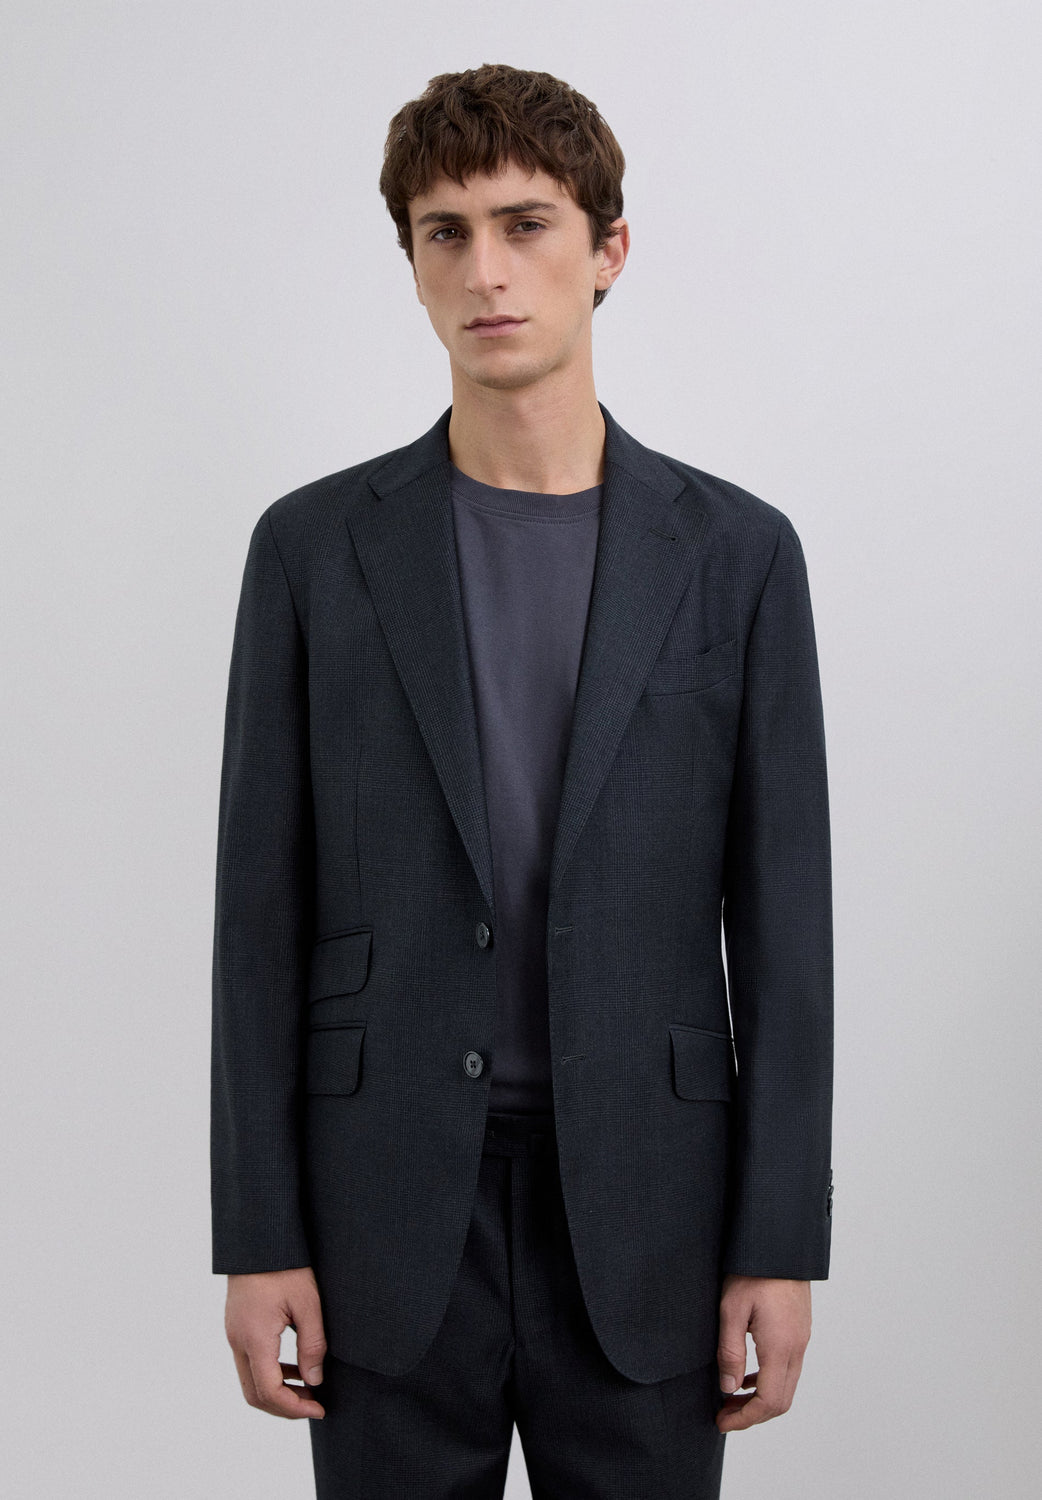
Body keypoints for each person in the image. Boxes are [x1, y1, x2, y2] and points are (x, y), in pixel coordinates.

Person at [211, 62, 834, 1500]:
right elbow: (259, 916)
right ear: (412, 264)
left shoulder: (737, 557)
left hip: (652, 1210)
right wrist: (257, 1233)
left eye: (525, 224)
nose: (484, 271)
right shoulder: (312, 551)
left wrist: (778, 1243)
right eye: (445, 232)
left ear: (608, 250)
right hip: (380, 1206)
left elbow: (783, 931)